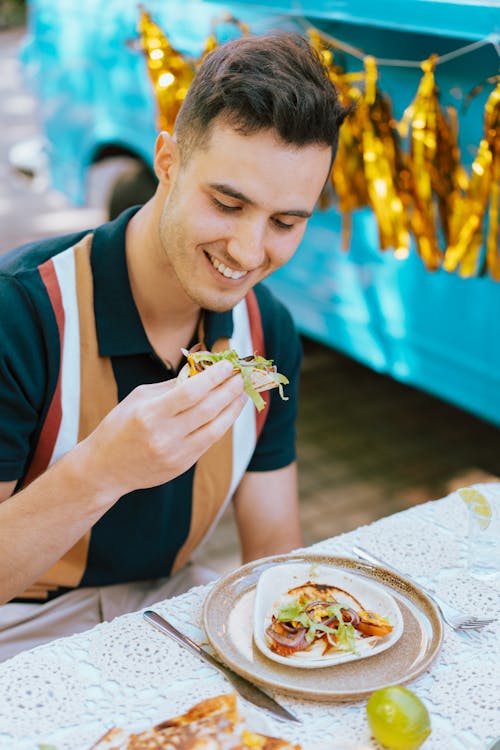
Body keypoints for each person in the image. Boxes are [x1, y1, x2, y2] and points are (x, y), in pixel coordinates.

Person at [0, 31, 349, 660]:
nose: (247, 252)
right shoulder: (20, 313)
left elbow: (273, 548)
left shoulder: (267, 334)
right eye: (226, 202)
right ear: (167, 160)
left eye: (285, 222)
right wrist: (103, 470)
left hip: (177, 610)